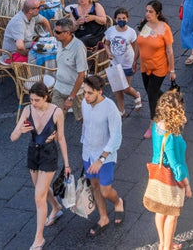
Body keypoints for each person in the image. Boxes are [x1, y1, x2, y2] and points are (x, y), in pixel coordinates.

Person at [11, 80, 69, 250]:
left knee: (38, 197)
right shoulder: (27, 110)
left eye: (36, 100)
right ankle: (56, 206)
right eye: (31, 100)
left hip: (49, 154)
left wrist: (66, 164)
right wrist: (20, 130)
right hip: (33, 153)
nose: (33, 103)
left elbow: (61, 138)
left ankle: (39, 238)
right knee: (40, 189)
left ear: (45, 98)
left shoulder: (57, 112)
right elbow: (13, 137)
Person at [146, 90, 192, 250]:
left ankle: (163, 242)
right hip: (170, 178)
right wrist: (186, 185)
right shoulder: (170, 135)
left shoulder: (156, 125)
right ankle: (167, 247)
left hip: (158, 174)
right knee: (172, 214)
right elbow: (176, 165)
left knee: (160, 211)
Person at [79, 74, 125, 235]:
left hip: (105, 156)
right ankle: (103, 217)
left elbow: (116, 136)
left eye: (89, 93)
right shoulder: (85, 104)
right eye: (84, 92)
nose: (86, 96)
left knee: (105, 190)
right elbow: (86, 126)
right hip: (88, 152)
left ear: (100, 91)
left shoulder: (110, 108)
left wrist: (101, 159)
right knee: (94, 186)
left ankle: (118, 202)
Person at [135, 0, 175, 127]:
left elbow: (169, 51)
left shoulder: (164, 28)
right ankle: (170, 103)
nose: (147, 14)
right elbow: (139, 44)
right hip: (145, 65)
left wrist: (172, 70)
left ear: (157, 13)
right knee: (150, 90)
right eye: (146, 11)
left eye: (151, 12)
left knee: (151, 94)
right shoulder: (144, 24)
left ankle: (153, 122)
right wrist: (134, 61)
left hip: (159, 66)